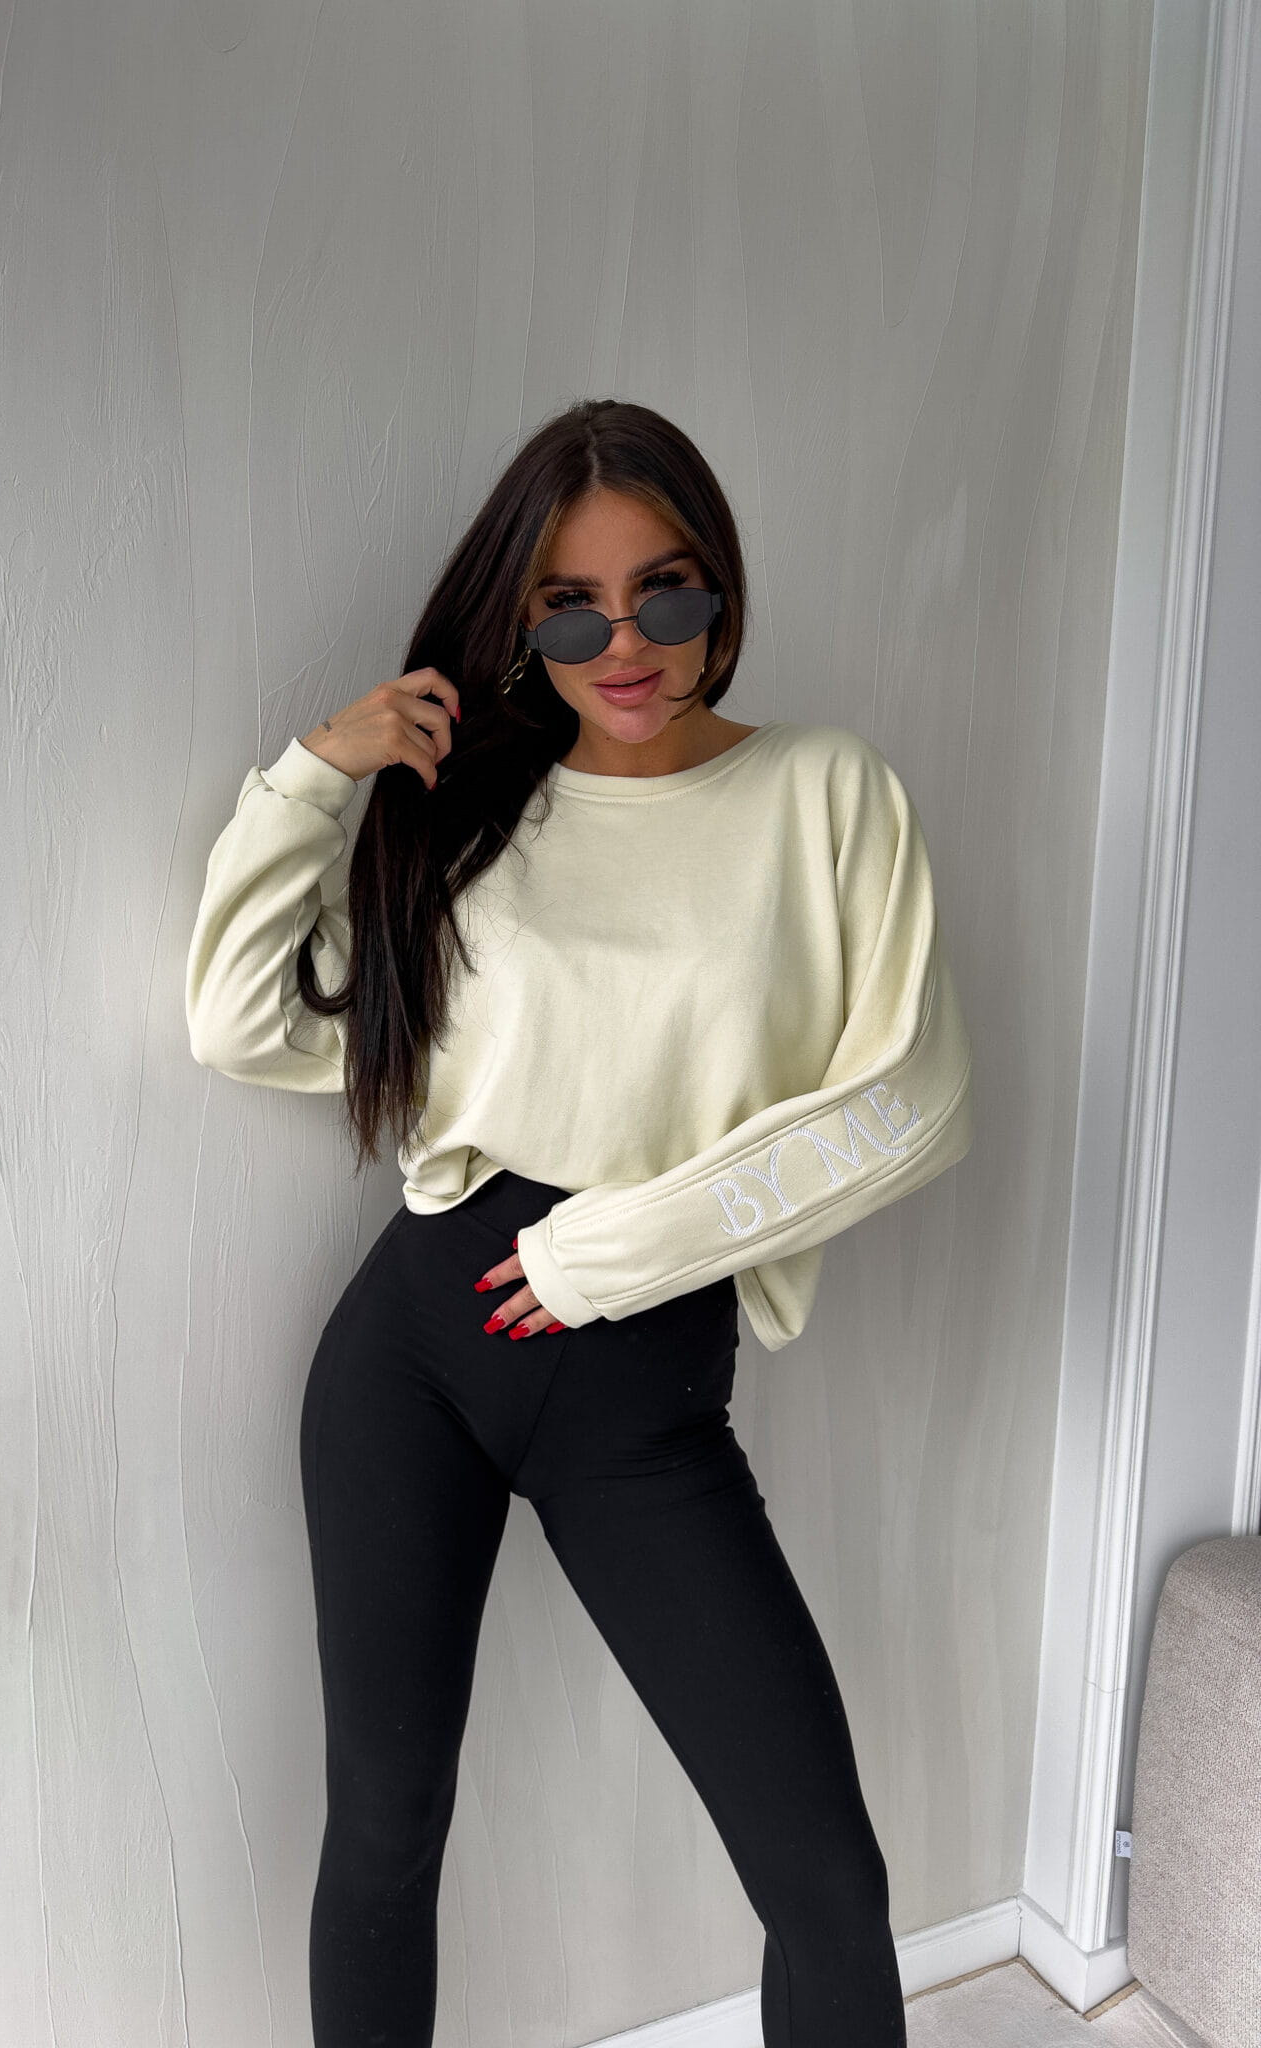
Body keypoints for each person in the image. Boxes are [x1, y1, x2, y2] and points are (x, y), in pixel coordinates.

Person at [185, 397, 973, 2047]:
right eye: (571, 609)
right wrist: (317, 777)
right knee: (385, 1832)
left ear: (720, 591)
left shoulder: (824, 792)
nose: (626, 645)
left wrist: (605, 1255)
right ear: (521, 624)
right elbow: (246, 1022)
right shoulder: (483, 807)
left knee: (823, 1879)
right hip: (412, 1349)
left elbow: (906, 1101)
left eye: (665, 593)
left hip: (636, 1370)